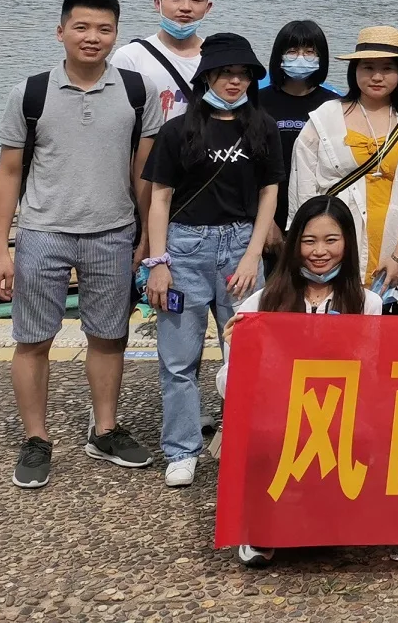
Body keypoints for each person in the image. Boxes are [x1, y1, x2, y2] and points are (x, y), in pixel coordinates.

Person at [0, 0, 163, 489]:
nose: (93, 37)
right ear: (61, 31)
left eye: (104, 29)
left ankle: (104, 430)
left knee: (109, 336)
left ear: (116, 34)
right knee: (32, 339)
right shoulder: (30, 93)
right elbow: (8, 172)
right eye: (82, 27)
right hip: (43, 231)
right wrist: (0, 249)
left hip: (113, 231)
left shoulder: (138, 92)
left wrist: (147, 239)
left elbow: (144, 173)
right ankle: (36, 438)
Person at [142, 33, 280, 488]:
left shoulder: (262, 127)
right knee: (179, 358)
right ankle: (182, 449)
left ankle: (243, 443)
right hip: (185, 247)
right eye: (224, 73)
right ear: (207, 76)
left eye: (242, 74)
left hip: (241, 245)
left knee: (244, 354)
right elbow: (160, 199)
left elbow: (269, 193)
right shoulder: (178, 130)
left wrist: (253, 255)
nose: (234, 81)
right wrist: (158, 262)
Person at [223, 195, 379, 567]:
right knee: (267, 434)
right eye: (309, 241)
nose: (319, 252)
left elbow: (373, 377)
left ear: (348, 243)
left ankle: (324, 515)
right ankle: (261, 526)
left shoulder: (367, 303)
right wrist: (240, 353)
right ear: (294, 245)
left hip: (339, 415)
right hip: (279, 414)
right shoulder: (262, 302)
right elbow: (229, 385)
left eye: (331, 240)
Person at [288, 26, 398, 290]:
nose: (377, 76)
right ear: (354, 70)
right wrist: (313, 247)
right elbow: (303, 191)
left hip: (391, 242)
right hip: (333, 244)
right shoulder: (325, 118)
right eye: (367, 67)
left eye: (387, 68)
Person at [260, 21, 340, 233]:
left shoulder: (334, 105)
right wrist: (266, 222)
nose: (301, 58)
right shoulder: (258, 102)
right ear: (279, 56)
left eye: (310, 52)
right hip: (266, 208)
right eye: (292, 51)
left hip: (316, 208)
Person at [114, 0, 213, 119]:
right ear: (158, 3)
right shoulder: (130, 57)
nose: (185, 7)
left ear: (207, 7)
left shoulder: (216, 60)